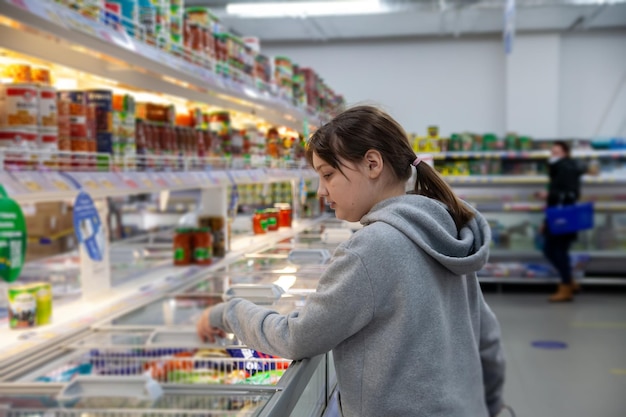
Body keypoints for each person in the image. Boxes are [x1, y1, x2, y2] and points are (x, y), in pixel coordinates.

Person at [197, 106, 505, 417]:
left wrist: (228, 312)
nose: (321, 190)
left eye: (328, 174)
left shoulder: (372, 246)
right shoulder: (445, 227)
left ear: (372, 164)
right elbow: (487, 340)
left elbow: (299, 337)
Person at [537, 141, 587, 302]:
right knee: (554, 250)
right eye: (552, 152)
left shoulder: (566, 169)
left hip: (563, 218)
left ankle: (566, 288)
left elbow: (570, 195)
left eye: (557, 152)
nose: (553, 155)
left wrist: (548, 195)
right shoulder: (560, 169)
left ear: (565, 153)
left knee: (555, 250)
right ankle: (569, 282)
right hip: (558, 216)